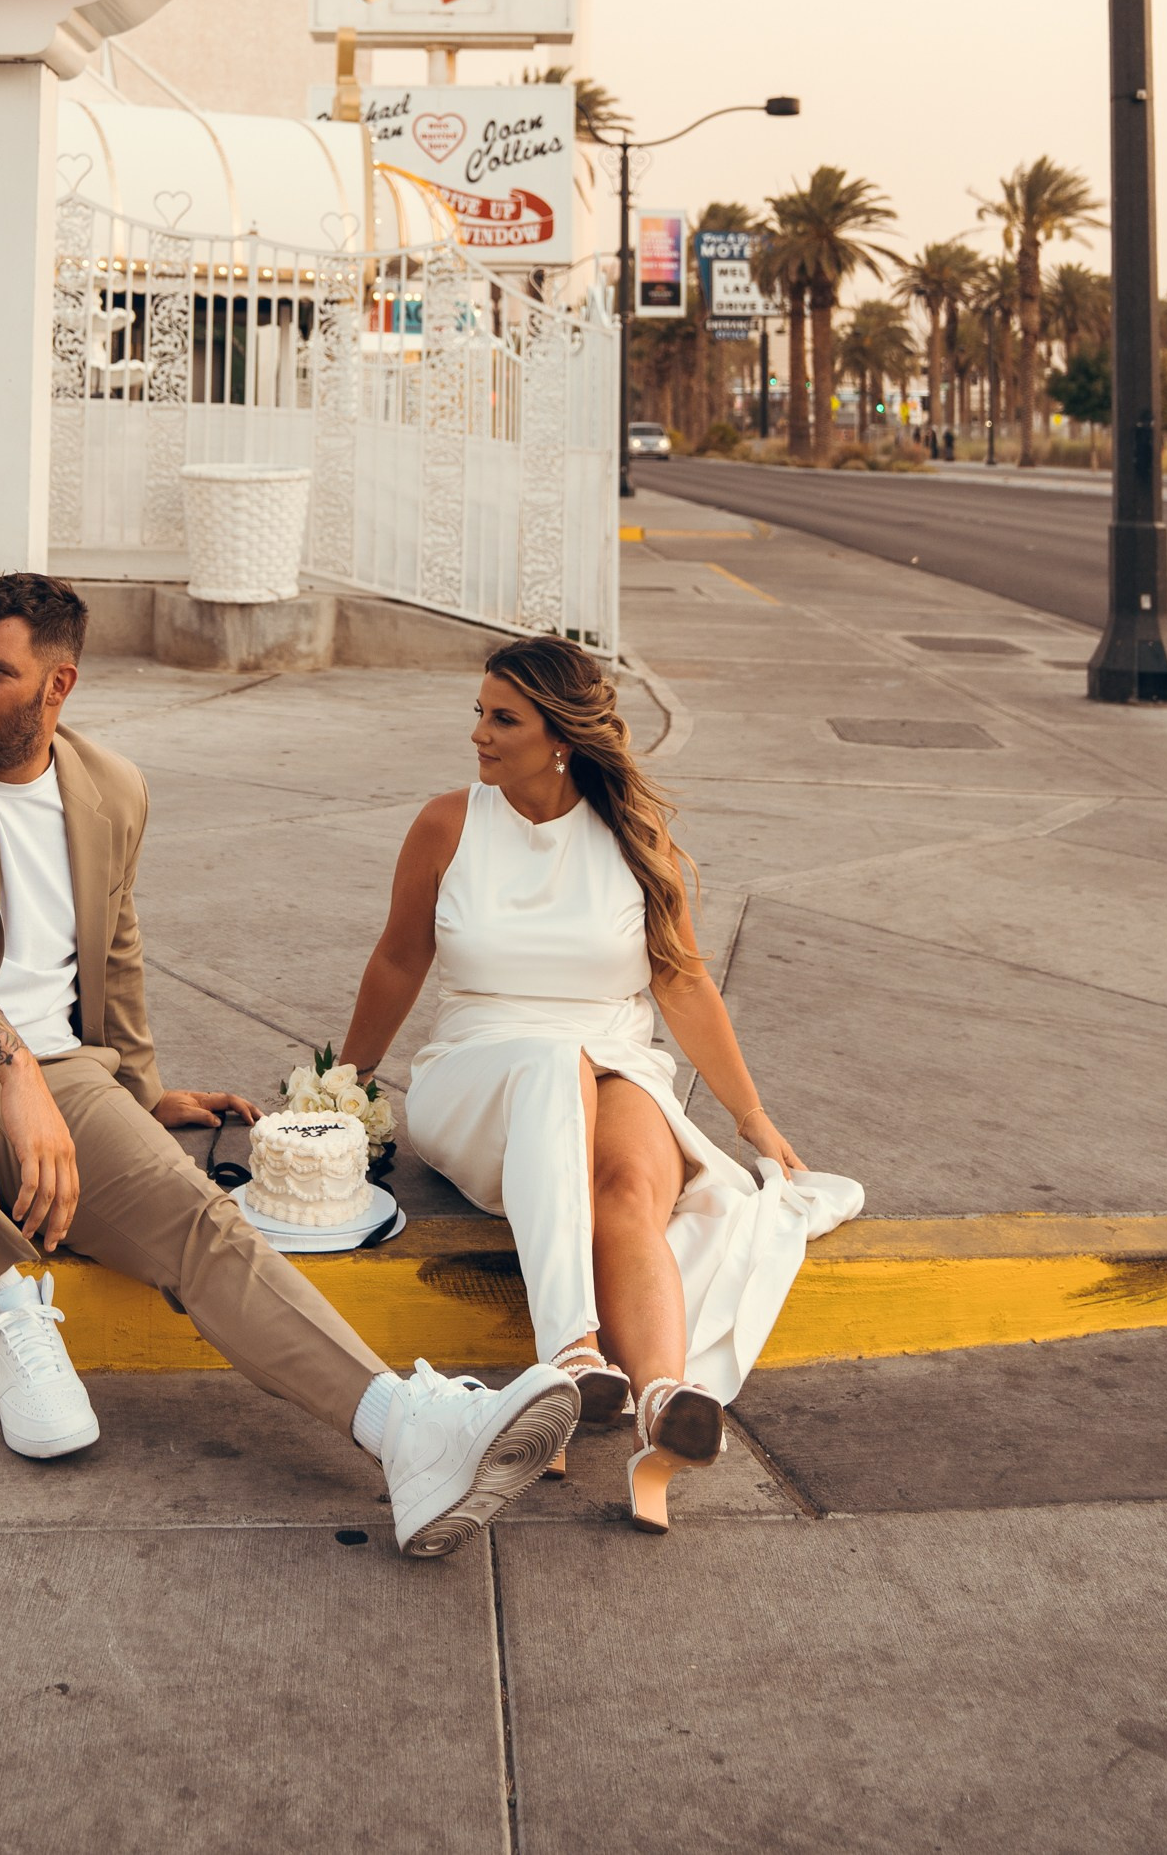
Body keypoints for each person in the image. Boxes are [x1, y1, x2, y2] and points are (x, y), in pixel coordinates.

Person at [0, 570, 578, 1557]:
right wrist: (11, 1066)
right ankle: (8, 1299)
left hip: (56, 1080)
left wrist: (143, 1091)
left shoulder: (109, 789)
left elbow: (110, 945)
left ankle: (401, 1432)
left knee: (200, 1221)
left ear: (57, 686)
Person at [337, 637, 863, 1528]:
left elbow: (682, 981)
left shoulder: (634, 839)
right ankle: (572, 1357)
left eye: (503, 718)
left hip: (617, 1060)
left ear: (562, 740)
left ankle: (661, 1399)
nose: (478, 734)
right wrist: (343, 1087)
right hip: (477, 1072)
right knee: (550, 1060)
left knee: (626, 1190)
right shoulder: (448, 824)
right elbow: (398, 958)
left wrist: (753, 1117)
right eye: (479, 712)